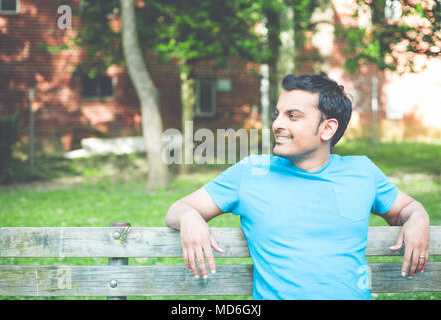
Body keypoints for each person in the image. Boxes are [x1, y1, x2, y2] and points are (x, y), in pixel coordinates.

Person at [165, 74, 430, 300]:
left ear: (327, 129)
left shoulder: (362, 171)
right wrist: (189, 218)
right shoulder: (251, 172)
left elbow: (404, 209)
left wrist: (418, 217)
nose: (278, 124)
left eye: (293, 116)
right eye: (278, 114)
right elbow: (180, 208)